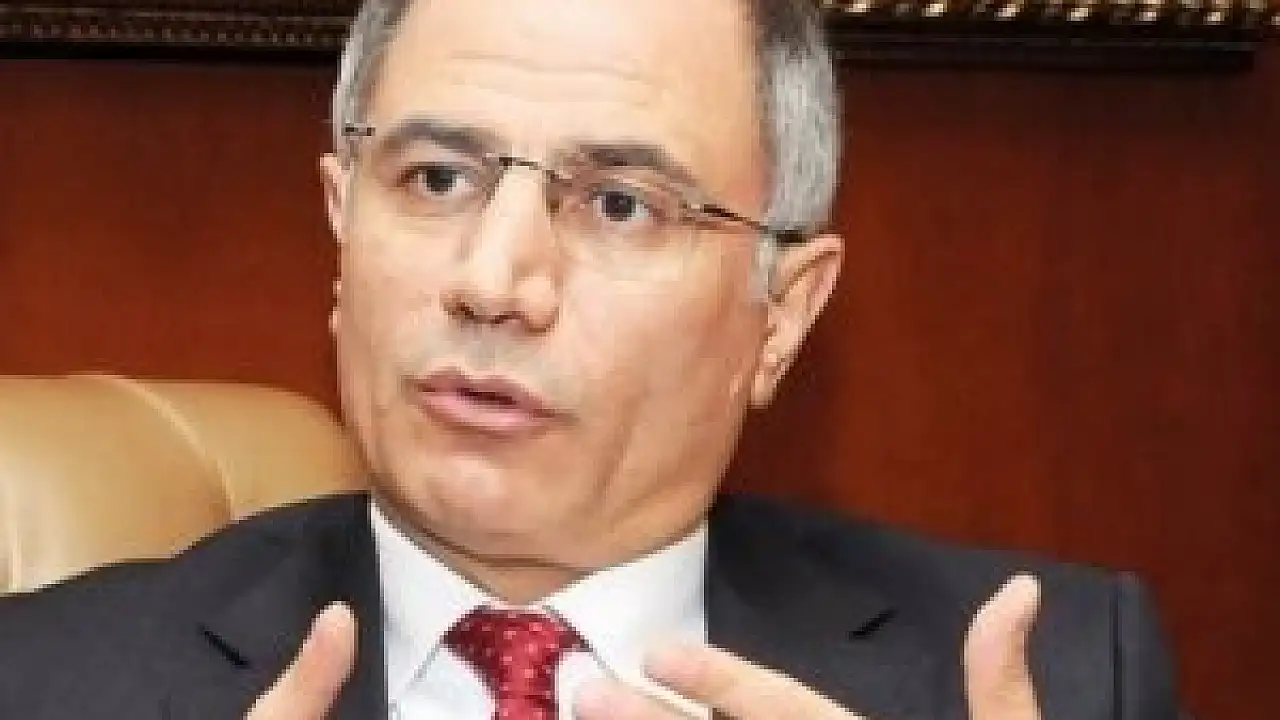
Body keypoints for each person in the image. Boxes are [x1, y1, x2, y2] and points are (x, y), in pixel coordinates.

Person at [0, 0, 1182, 718]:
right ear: (341, 226)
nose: (492, 280)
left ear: (781, 312)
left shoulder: (1051, 678)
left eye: (619, 204)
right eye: (436, 179)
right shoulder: (42, 685)